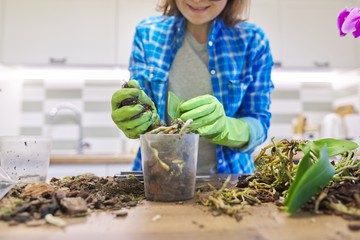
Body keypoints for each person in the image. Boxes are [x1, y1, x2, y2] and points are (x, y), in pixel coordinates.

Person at [111, 0, 274, 174]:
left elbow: (258, 122)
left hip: (230, 183)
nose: (197, 0)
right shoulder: (148, 34)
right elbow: (141, 108)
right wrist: (134, 117)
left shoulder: (252, 41)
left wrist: (226, 128)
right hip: (156, 178)